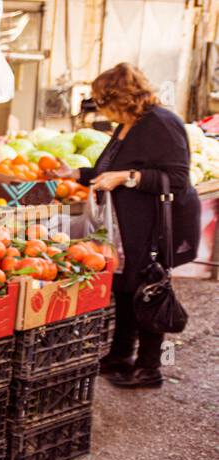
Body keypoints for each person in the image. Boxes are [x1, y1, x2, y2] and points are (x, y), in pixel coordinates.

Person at [54, 63, 199, 388]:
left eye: (102, 101)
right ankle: (120, 355)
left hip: (153, 226)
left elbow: (176, 179)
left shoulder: (162, 123)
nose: (100, 109)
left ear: (120, 98)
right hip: (125, 225)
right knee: (124, 289)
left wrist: (127, 178)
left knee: (148, 292)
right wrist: (77, 174)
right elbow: (112, 168)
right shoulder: (127, 125)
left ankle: (151, 368)